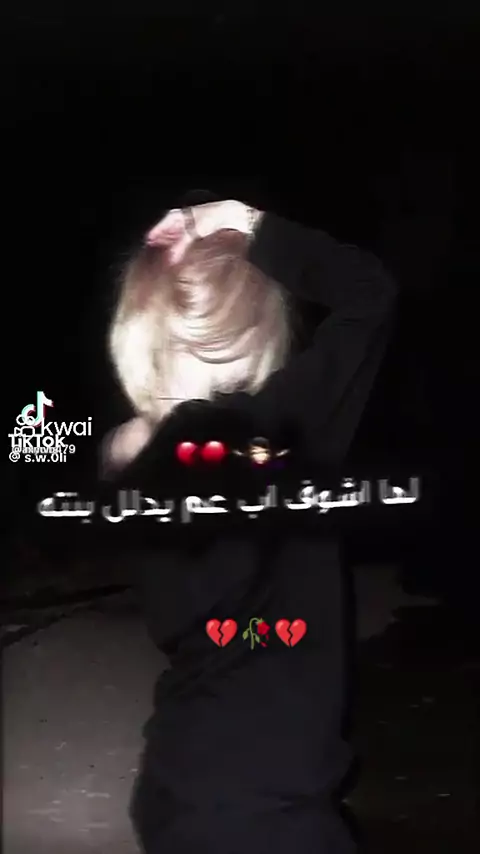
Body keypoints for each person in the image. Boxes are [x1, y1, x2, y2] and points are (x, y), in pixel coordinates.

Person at [101, 197, 397, 853]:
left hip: (177, 785)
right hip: (272, 808)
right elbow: (369, 294)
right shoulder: (284, 431)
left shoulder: (135, 465)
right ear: (258, 334)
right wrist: (245, 218)